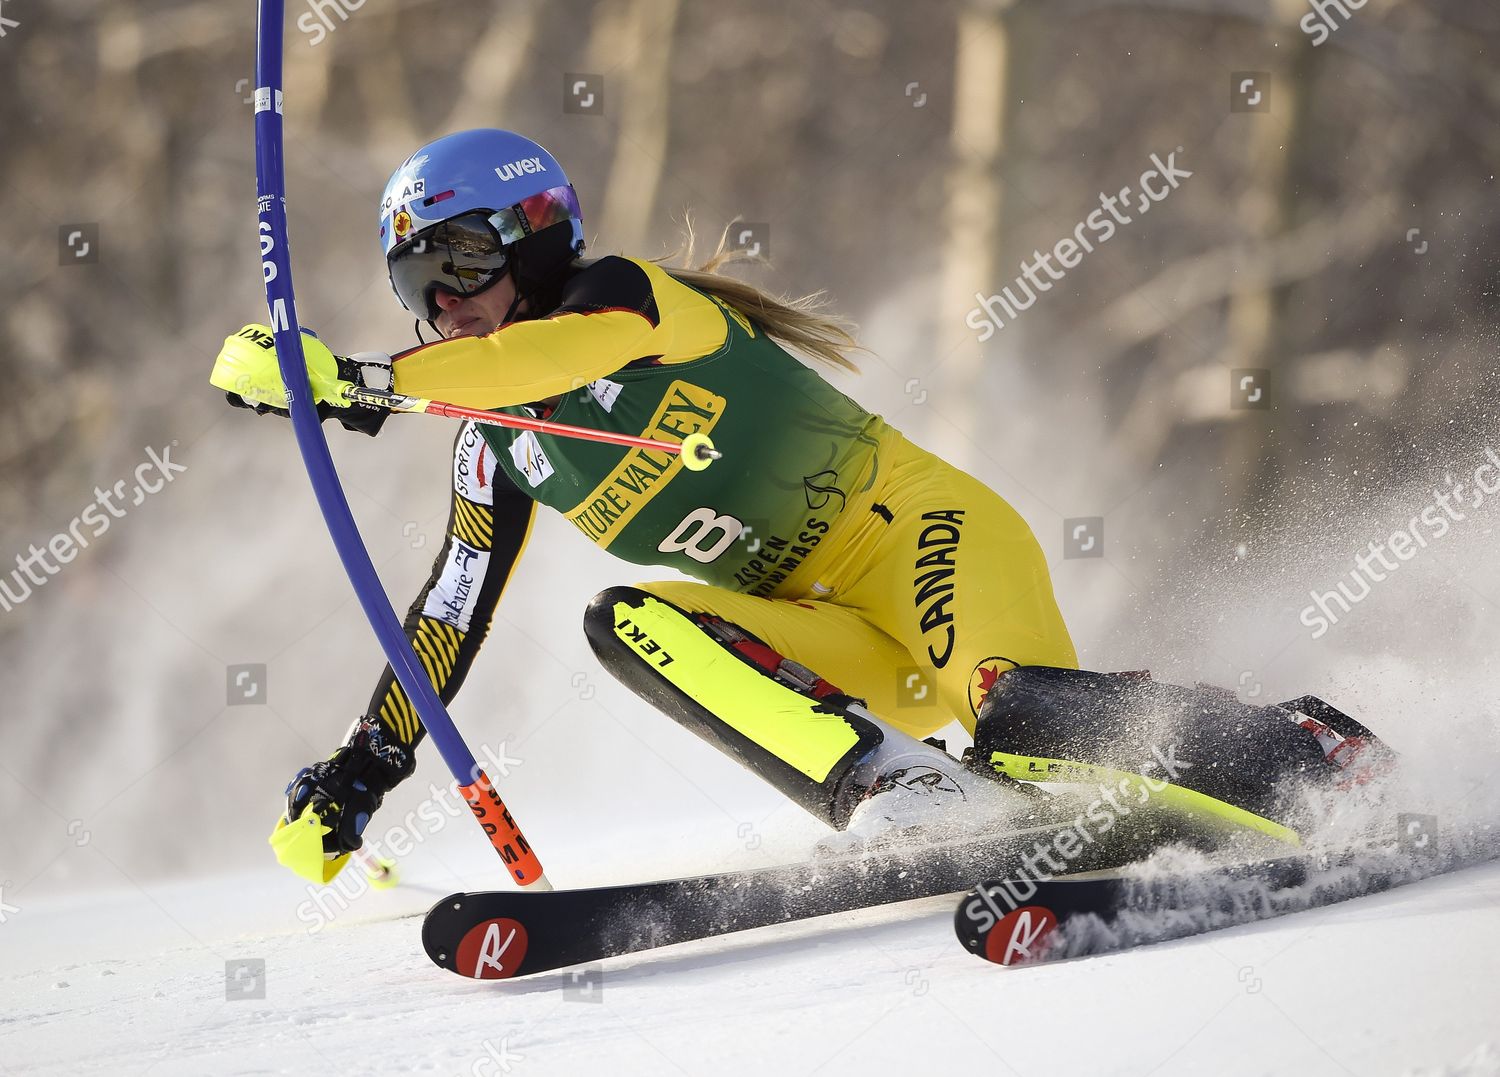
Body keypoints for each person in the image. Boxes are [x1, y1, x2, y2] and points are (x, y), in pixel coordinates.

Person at [213, 129, 1376, 883]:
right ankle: (894, 780)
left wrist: (365, 379)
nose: (445, 305)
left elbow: (553, 358)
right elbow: (446, 617)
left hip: (919, 538)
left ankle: (1303, 742)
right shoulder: (490, 446)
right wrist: (364, 769)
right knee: (627, 620)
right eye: (418, 288)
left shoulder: (628, 298)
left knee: (1022, 725)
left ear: (538, 234)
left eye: (460, 264)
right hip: (817, 630)